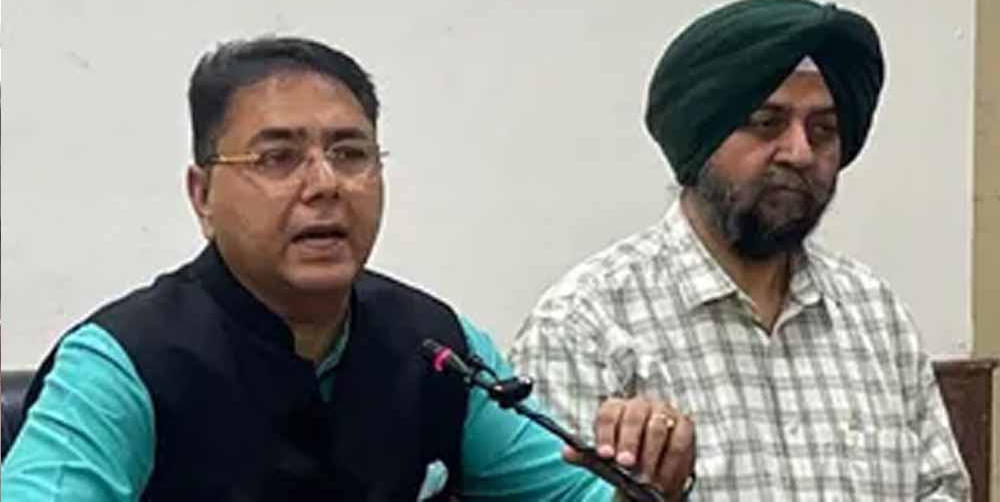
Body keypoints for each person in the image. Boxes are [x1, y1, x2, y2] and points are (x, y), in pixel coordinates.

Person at [1, 36, 693, 501]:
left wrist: (649, 476)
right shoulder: (125, 362)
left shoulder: (437, 346)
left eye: (351, 154)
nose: (325, 184)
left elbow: (575, 495)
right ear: (202, 194)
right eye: (278, 158)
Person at [509, 0, 971, 500]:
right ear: (700, 136)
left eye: (824, 130)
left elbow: (941, 490)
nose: (800, 153)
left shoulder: (874, 314)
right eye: (766, 122)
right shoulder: (584, 325)